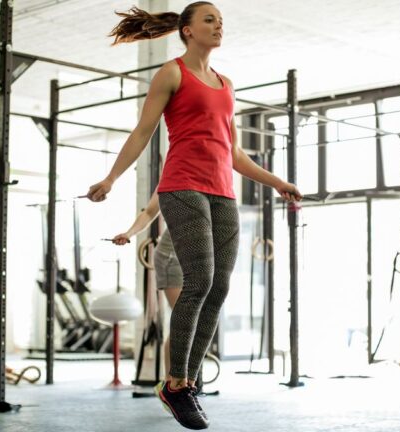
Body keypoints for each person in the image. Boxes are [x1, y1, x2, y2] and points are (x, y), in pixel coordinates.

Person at [87, 3, 301, 429]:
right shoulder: (172, 73)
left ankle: (190, 381)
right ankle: (176, 384)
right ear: (187, 30)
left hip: (223, 193)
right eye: (209, 20)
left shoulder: (226, 84)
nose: (218, 25)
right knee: (199, 281)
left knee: (219, 288)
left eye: (221, 21)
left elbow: (234, 152)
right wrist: (111, 178)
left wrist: (277, 181)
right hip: (182, 186)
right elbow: (143, 131)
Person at [110, 191, 181, 384]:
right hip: (172, 258)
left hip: (197, 259)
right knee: (184, 320)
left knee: (197, 322)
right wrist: (129, 233)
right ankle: (171, 384)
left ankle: (182, 382)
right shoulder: (172, 178)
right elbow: (149, 212)